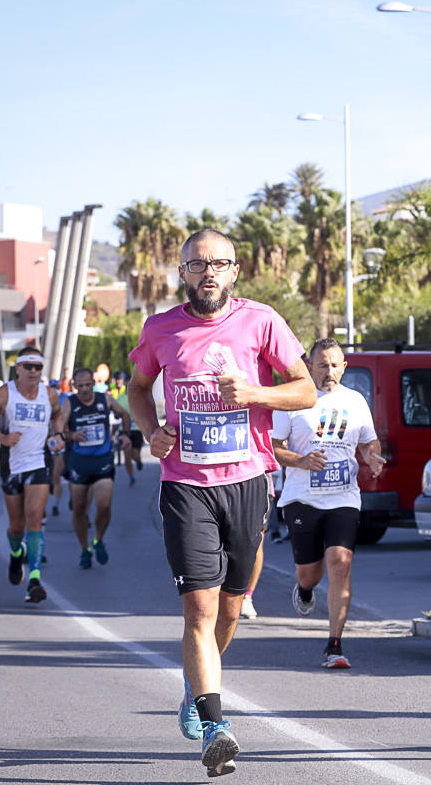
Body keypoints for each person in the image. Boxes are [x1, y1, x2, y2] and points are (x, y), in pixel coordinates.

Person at [127, 228, 315, 777]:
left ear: (235, 272)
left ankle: (194, 684)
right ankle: (214, 723)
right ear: (181, 272)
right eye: (197, 264)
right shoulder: (160, 328)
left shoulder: (261, 321)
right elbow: (138, 388)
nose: (208, 272)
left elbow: (304, 389)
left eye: (219, 264)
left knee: (231, 607)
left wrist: (256, 394)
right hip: (185, 483)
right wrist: (150, 432)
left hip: (248, 480)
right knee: (200, 609)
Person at [271, 337, 385, 668]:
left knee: (341, 563)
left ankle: (334, 645)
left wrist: (373, 458)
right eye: (322, 365)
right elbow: (273, 447)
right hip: (302, 497)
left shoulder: (356, 401)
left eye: (335, 365)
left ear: (344, 367)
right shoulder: (293, 400)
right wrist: (302, 460)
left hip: (343, 495)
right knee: (309, 573)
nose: (329, 371)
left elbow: (369, 442)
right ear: (310, 366)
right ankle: (305, 590)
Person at [0, 347, 65, 603]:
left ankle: (34, 579)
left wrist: (57, 435)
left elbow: (57, 416)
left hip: (39, 461)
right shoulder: (4, 394)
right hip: (12, 464)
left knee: (35, 518)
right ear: (18, 368)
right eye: (29, 367)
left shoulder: (50, 394)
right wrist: (2, 438)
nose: (34, 372)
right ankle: (16, 554)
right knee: (16, 525)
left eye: (38, 367)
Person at [63, 366, 132, 568]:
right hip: (79, 462)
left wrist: (125, 435)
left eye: (88, 385)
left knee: (104, 505)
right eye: (80, 386)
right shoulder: (70, 403)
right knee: (79, 509)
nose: (84, 390)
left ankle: (98, 539)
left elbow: (125, 415)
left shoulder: (105, 399)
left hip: (102, 461)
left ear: (94, 384)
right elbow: (58, 429)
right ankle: (85, 549)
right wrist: (71, 436)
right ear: (74, 386)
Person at [109, 371, 144, 484]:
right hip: (124, 431)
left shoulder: (140, 398)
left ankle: (138, 460)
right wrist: (112, 433)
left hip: (137, 431)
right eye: (126, 383)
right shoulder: (119, 400)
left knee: (135, 455)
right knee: (127, 456)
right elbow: (116, 420)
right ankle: (131, 477)